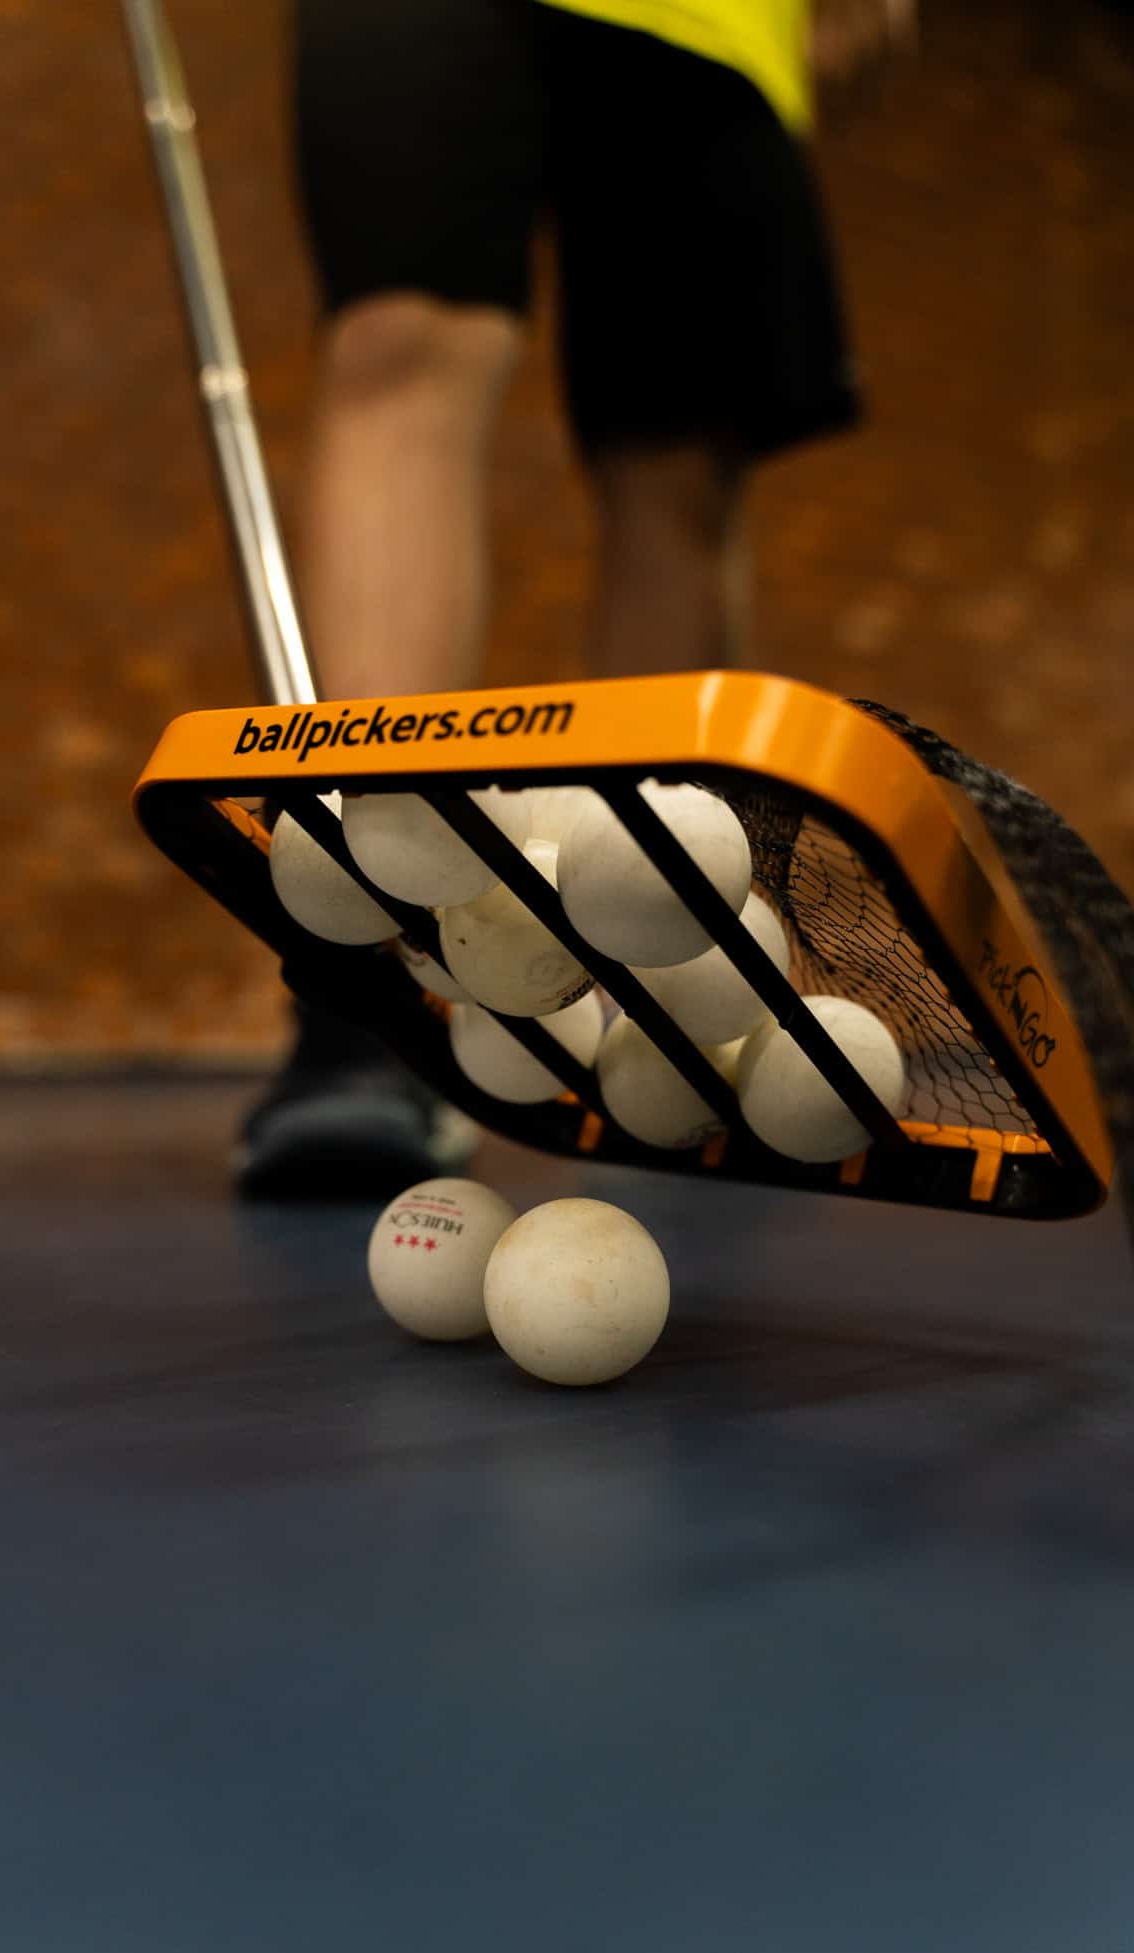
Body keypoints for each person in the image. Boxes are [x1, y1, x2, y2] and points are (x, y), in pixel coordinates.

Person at [234, 0, 911, 1197]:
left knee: (679, 459)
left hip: (714, 20)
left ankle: (677, 998)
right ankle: (371, 992)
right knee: (403, 336)